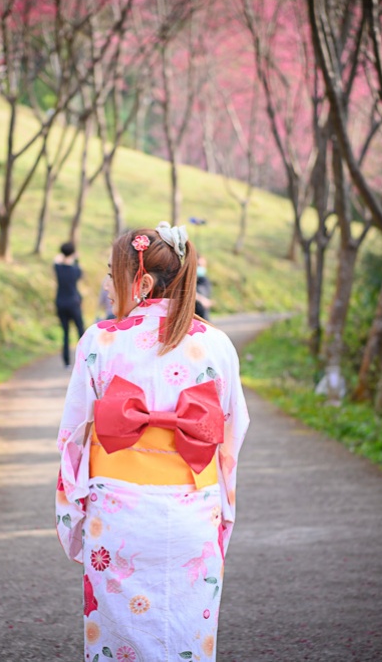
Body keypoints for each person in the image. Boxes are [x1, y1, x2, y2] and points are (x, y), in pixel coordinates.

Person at [55, 222, 250, 662]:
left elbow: (71, 438)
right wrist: (222, 515)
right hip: (193, 512)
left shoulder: (100, 341)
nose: (106, 285)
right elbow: (230, 437)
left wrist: (73, 519)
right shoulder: (217, 344)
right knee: (187, 636)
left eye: (112, 273)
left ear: (141, 282)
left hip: (119, 518)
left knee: (117, 640)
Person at [54, 242, 84, 368]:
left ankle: (66, 362)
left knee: (65, 333)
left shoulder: (58, 268)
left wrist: (62, 255)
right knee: (81, 332)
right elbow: (80, 272)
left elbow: (56, 260)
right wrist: (75, 258)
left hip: (60, 303)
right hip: (73, 302)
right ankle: (83, 360)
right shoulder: (75, 270)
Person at [194, 255, 213, 321]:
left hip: (204, 318)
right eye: (199, 265)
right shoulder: (189, 280)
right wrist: (200, 298)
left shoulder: (205, 280)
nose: (201, 267)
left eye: (202, 265)